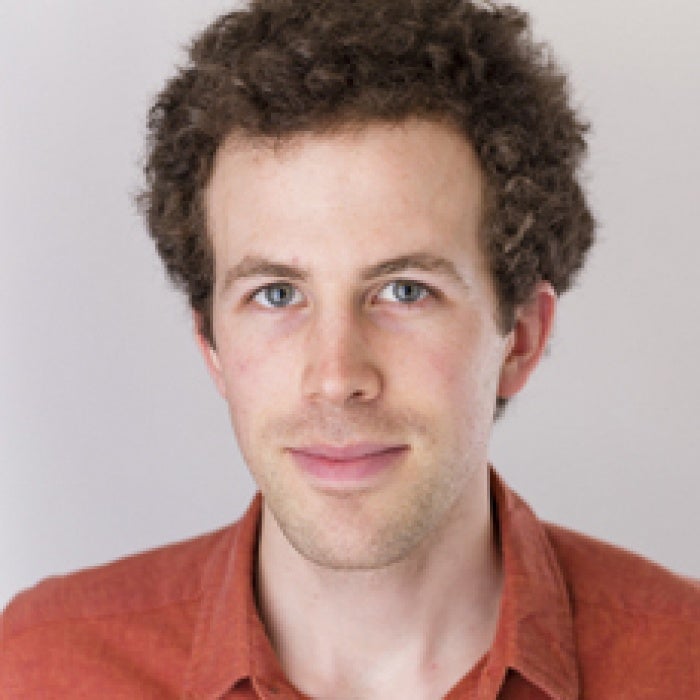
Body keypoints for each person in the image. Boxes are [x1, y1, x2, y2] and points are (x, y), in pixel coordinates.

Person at [1, 0, 698, 697]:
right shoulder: (41, 668)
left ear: (521, 338)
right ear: (210, 344)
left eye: (404, 291)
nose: (336, 379)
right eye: (277, 294)